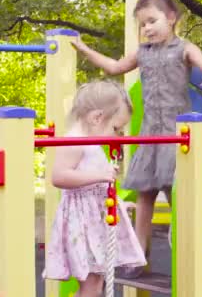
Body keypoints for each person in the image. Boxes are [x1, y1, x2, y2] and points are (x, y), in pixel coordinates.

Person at [72, 0, 202, 278]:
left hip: (176, 136)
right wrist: (85, 50)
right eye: (142, 24)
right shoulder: (142, 53)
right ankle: (139, 255)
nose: (147, 28)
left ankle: (192, 254)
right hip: (150, 135)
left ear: (171, 18)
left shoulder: (184, 48)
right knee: (144, 196)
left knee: (178, 194)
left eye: (152, 21)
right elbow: (115, 67)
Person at [43, 80, 146, 297]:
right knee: (91, 285)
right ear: (97, 117)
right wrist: (99, 175)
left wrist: (118, 205)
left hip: (94, 223)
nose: (117, 135)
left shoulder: (91, 143)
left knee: (96, 283)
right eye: (115, 128)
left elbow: (96, 189)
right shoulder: (74, 141)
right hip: (81, 226)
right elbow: (59, 176)